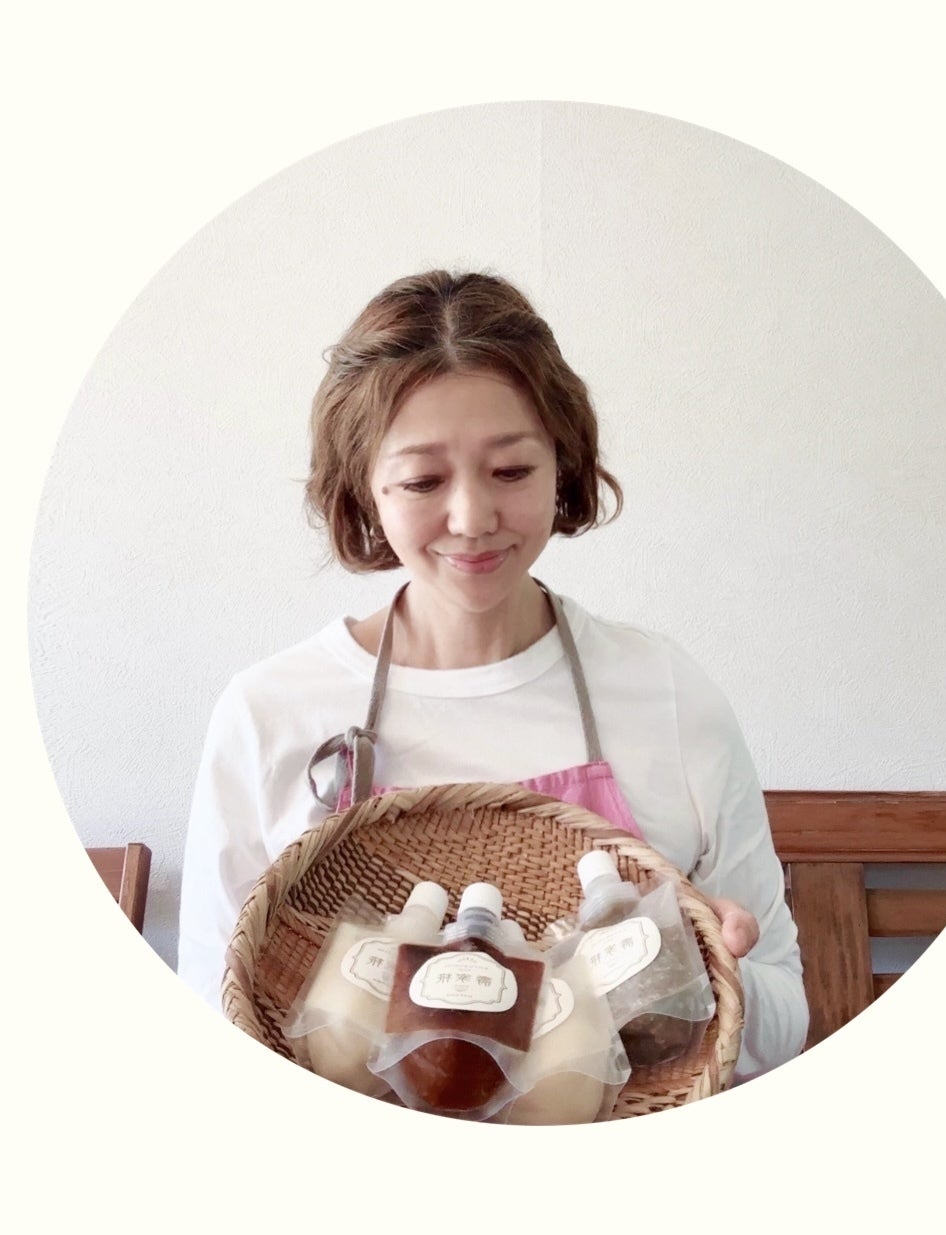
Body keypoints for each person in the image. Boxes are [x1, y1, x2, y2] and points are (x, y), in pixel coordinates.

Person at [177, 269, 809, 1083]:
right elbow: (213, 1020)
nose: (473, 518)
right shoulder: (270, 715)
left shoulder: (669, 695)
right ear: (364, 488)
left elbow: (787, 1019)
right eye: (423, 481)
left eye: (511, 471)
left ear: (563, 465)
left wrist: (704, 970)